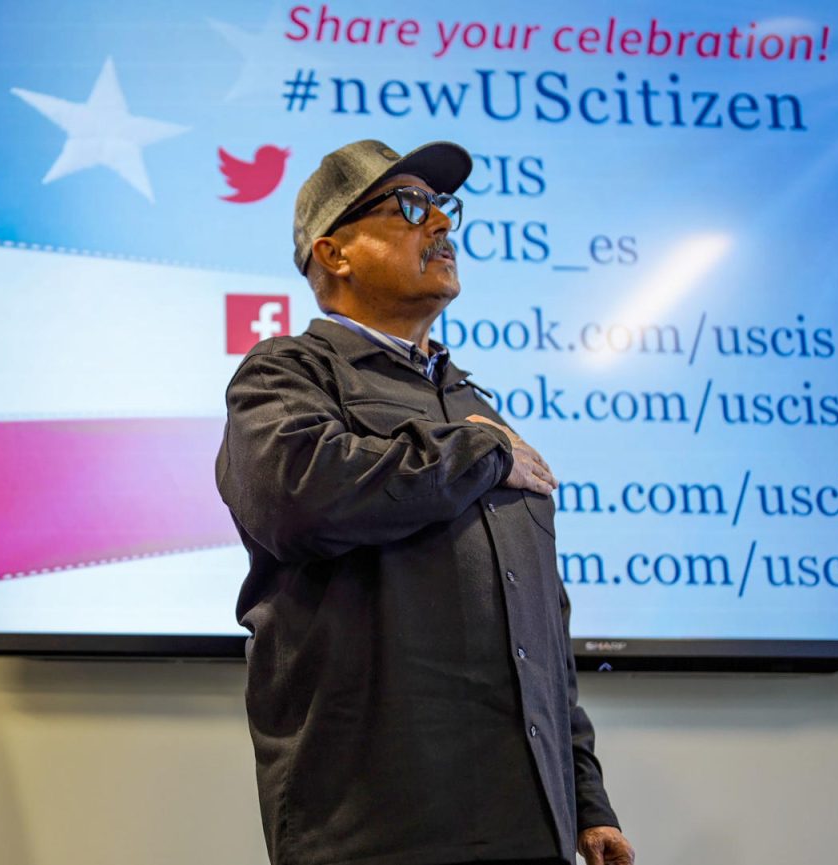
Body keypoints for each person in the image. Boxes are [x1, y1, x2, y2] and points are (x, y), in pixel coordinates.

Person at [216, 140, 635, 865]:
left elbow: (540, 623)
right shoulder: (288, 374)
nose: (440, 224)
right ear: (334, 253)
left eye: (445, 209)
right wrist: (476, 454)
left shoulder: (476, 407)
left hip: (529, 824)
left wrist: (585, 797)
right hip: (376, 827)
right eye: (410, 208)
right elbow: (299, 497)